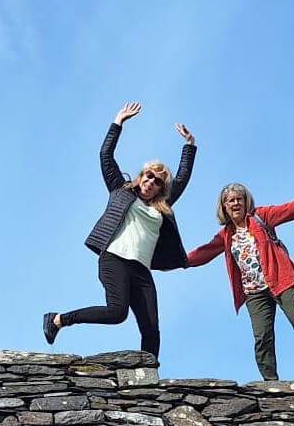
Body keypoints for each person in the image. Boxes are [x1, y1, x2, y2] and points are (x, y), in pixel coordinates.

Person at [42, 102, 195, 362]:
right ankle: (59, 319)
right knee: (117, 312)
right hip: (114, 259)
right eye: (148, 175)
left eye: (157, 181)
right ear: (141, 175)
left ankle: (148, 376)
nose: (151, 182)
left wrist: (189, 147)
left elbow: (181, 178)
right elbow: (105, 156)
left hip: (141, 269)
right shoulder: (120, 190)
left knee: (151, 328)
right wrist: (118, 123)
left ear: (161, 188)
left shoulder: (163, 207)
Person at [186, 181, 294, 381]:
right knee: (262, 338)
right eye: (230, 201)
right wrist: (174, 261)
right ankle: (270, 385)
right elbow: (203, 253)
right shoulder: (226, 235)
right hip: (253, 292)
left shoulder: (261, 216)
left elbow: (290, 209)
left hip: (279, 279)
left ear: (245, 202)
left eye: (239, 199)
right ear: (224, 206)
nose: (235, 203)